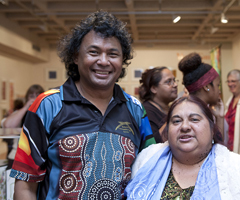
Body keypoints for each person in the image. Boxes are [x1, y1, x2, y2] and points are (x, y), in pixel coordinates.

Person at [10, 11, 155, 200]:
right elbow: (25, 185)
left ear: (122, 61)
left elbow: (151, 170)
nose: (103, 61)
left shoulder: (135, 109)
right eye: (93, 52)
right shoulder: (47, 105)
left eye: (113, 54)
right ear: (76, 57)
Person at [124, 96, 240, 199]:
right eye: (176, 121)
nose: (185, 126)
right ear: (167, 131)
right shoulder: (145, 162)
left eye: (194, 119)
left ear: (211, 128)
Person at [178, 52, 226, 142]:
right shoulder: (193, 113)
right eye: (217, 85)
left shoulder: (200, 108)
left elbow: (217, 147)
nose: (219, 91)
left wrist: (219, 117)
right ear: (207, 87)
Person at [1, 84, 44, 169]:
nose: (34, 98)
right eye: (31, 96)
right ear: (27, 98)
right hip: (17, 158)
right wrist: (26, 107)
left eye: (38, 95)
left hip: (39, 159)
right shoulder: (19, 113)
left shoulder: (46, 113)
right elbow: (7, 125)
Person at [139, 67, 178, 143]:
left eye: (174, 81)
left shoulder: (169, 108)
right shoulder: (145, 112)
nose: (175, 85)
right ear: (154, 88)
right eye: (169, 82)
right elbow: (154, 143)